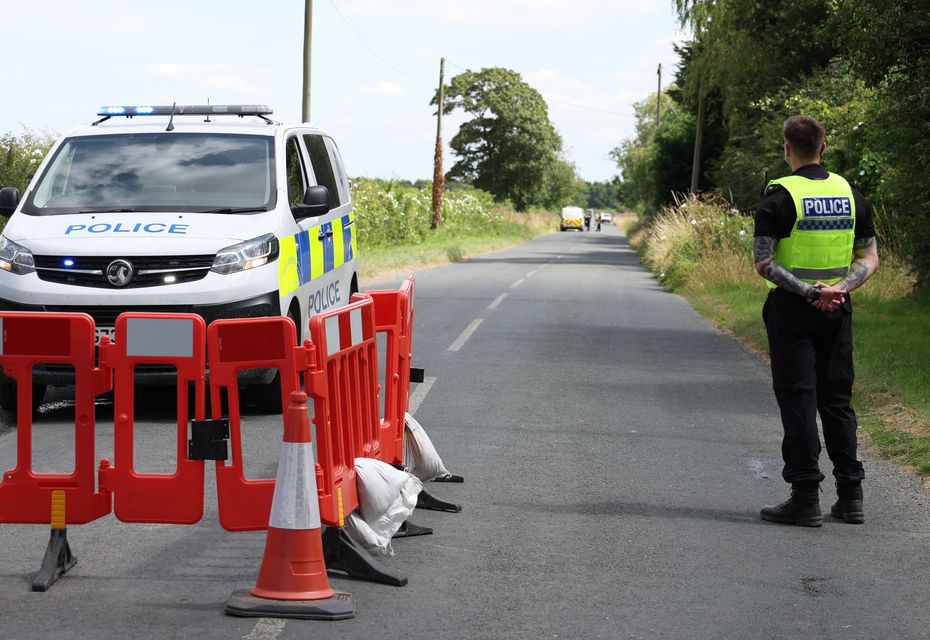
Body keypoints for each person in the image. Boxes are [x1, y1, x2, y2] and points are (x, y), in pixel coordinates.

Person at [753, 115, 880, 527]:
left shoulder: (778, 197)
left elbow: (764, 263)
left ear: (787, 149)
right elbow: (869, 258)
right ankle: (851, 496)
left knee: (799, 401)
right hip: (838, 310)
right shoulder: (850, 193)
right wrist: (838, 289)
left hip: (793, 311)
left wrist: (810, 292)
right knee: (838, 402)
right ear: (824, 147)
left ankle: (806, 497)